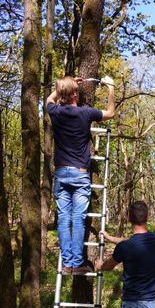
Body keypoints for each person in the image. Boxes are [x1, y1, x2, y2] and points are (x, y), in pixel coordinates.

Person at [46, 75, 115, 275]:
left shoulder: (55, 111)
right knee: (78, 219)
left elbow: (49, 101)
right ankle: (77, 264)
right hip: (80, 173)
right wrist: (111, 87)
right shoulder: (85, 113)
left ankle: (68, 264)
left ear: (61, 95)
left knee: (63, 219)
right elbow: (110, 113)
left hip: (60, 173)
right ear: (76, 94)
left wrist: (62, 87)